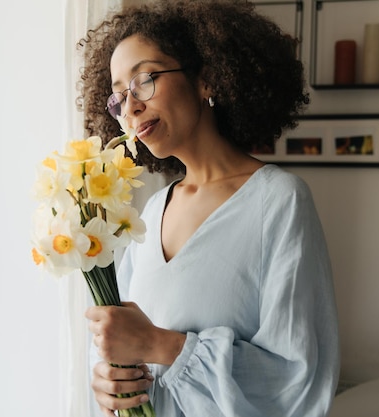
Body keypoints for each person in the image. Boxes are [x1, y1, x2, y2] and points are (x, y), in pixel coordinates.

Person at [78, 1, 340, 416]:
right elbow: (123, 345)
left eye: (145, 79)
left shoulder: (279, 201)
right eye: (118, 97)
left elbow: (298, 380)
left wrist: (156, 344)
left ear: (206, 78)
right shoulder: (149, 213)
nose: (129, 108)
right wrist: (109, 379)